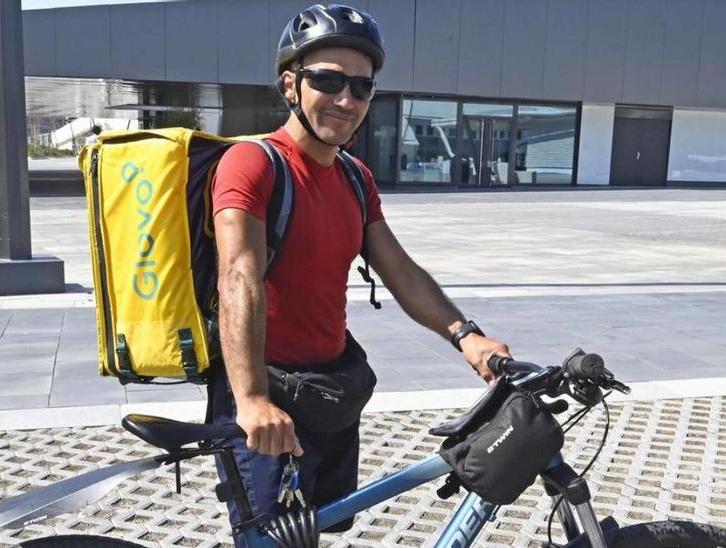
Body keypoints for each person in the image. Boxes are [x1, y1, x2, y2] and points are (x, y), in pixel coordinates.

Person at [208, 5, 511, 544]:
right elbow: (239, 275)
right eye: (328, 80)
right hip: (267, 391)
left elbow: (399, 270)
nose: (347, 100)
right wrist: (253, 399)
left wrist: (466, 336)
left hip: (330, 389)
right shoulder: (253, 163)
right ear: (290, 86)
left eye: (362, 87)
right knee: (271, 541)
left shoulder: (353, 175)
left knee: (316, 529)